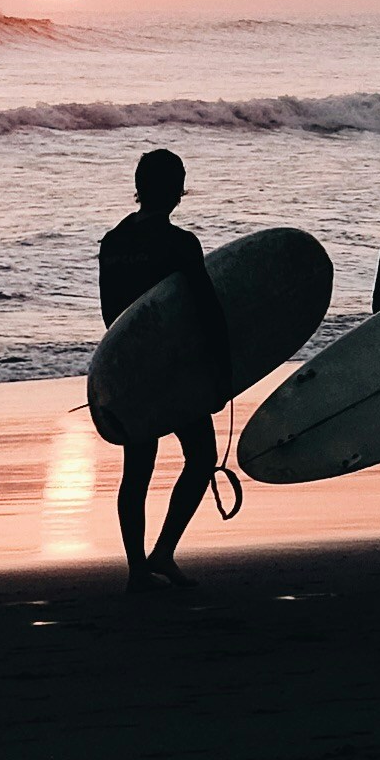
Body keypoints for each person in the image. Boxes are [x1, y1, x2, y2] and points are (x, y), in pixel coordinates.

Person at [97, 147, 235, 588]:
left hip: (131, 369)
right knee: (202, 457)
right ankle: (162, 552)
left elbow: (110, 317)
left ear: (140, 187)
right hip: (175, 370)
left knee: (137, 469)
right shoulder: (179, 244)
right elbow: (206, 311)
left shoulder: (113, 242)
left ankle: (137, 567)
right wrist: (222, 370)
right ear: (177, 190)